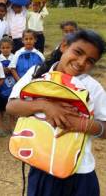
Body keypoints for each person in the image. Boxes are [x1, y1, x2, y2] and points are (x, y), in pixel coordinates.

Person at [6, 29, 106, 196]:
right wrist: (44, 105)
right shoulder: (37, 73)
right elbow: (11, 106)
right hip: (42, 165)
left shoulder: (92, 88)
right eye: (78, 52)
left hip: (79, 172)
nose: (81, 62)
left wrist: (82, 124)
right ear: (64, 46)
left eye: (90, 60)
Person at [0, 37, 15, 136]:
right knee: (0, 108)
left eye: (8, 47)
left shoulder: (15, 57)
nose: (5, 49)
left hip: (12, 87)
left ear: (11, 47)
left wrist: (11, 69)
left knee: (11, 107)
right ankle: (0, 127)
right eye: (3, 48)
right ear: (0, 48)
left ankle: (12, 126)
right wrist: (1, 70)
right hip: (1, 86)